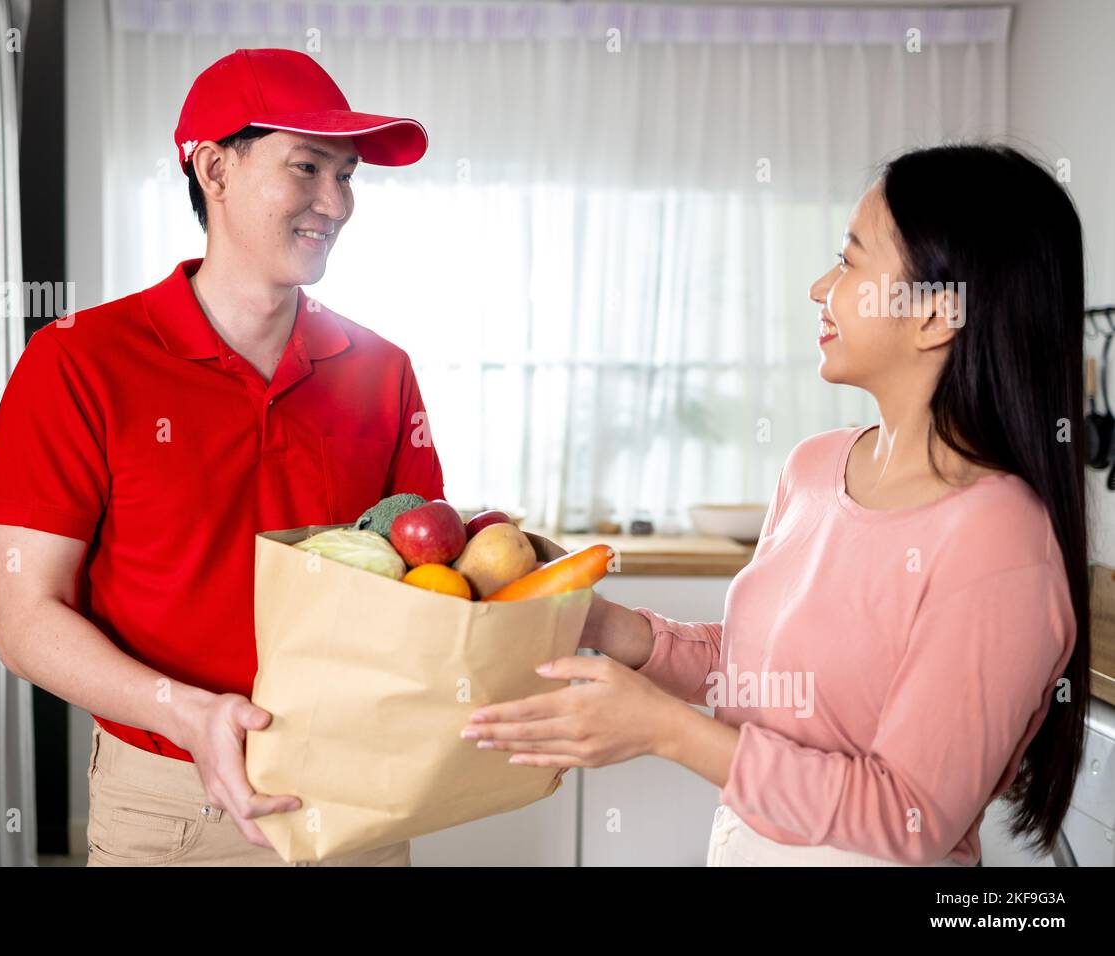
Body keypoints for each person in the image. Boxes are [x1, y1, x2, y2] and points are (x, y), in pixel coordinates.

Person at [463, 143, 1089, 867]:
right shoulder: (816, 465)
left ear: (934, 316)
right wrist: (601, 623)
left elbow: (910, 815)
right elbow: (771, 671)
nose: (822, 287)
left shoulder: (999, 537)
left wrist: (665, 730)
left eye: (851, 262)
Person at [0, 49, 442, 866]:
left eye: (348, 176)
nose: (334, 202)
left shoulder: (383, 370)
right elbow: (26, 623)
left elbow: (426, 580)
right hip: (170, 808)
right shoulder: (79, 361)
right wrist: (188, 713)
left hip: (353, 797)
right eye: (307, 167)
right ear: (213, 168)